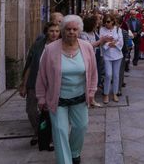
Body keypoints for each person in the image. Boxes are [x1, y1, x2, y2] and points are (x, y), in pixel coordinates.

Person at [36, 15, 98, 164]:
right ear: (63, 30)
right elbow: (42, 75)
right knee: (60, 131)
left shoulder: (87, 47)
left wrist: (91, 92)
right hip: (57, 99)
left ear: (79, 31)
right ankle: (65, 161)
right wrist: (41, 97)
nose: (71, 32)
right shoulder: (50, 49)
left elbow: (93, 72)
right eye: (68, 29)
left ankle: (75, 152)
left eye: (74, 29)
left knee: (81, 127)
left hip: (79, 96)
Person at [19, 22, 60, 146]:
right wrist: (24, 85)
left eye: (57, 31)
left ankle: (51, 137)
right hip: (35, 82)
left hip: (53, 85)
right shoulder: (38, 46)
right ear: (46, 32)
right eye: (51, 31)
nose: (54, 34)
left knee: (51, 112)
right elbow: (30, 66)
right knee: (31, 111)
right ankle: (38, 131)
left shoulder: (62, 46)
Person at [79, 15, 112, 106]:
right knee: (88, 78)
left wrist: (106, 40)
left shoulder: (94, 32)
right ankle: (88, 99)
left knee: (95, 76)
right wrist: (101, 41)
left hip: (96, 56)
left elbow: (99, 41)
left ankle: (91, 98)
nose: (97, 25)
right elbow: (88, 45)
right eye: (95, 24)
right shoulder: (83, 34)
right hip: (87, 58)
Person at [99, 14, 124, 104]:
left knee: (116, 75)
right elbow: (101, 41)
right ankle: (106, 93)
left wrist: (115, 44)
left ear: (113, 21)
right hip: (107, 55)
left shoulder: (118, 29)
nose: (106, 23)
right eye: (105, 21)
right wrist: (109, 44)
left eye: (108, 21)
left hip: (117, 55)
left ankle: (115, 93)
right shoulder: (102, 29)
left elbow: (121, 41)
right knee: (108, 74)